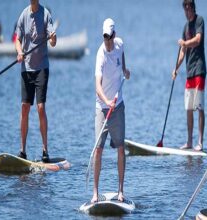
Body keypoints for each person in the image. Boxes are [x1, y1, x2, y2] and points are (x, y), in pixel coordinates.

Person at [92, 18, 130, 203]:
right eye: (104, 37)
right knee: (98, 150)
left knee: (120, 149)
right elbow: (97, 86)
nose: (107, 41)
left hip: (118, 106)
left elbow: (121, 54)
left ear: (114, 35)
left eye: (109, 37)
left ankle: (121, 190)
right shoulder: (100, 55)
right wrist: (107, 100)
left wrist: (124, 68)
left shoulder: (120, 44)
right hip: (102, 107)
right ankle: (95, 193)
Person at [15, 0, 57, 162]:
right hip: (26, 69)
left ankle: (45, 150)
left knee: (40, 107)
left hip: (41, 68)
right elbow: (17, 39)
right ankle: (22, 151)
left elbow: (53, 42)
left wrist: (53, 38)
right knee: (25, 107)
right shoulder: (23, 15)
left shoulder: (45, 14)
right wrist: (20, 52)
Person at [172, 0, 207, 151]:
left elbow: (198, 40)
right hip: (189, 72)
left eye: (189, 8)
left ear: (193, 8)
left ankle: (200, 142)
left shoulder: (199, 20)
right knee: (188, 108)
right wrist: (176, 68)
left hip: (199, 69)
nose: (187, 12)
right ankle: (189, 142)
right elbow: (182, 52)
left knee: (199, 106)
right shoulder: (185, 27)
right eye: (185, 9)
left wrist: (185, 44)